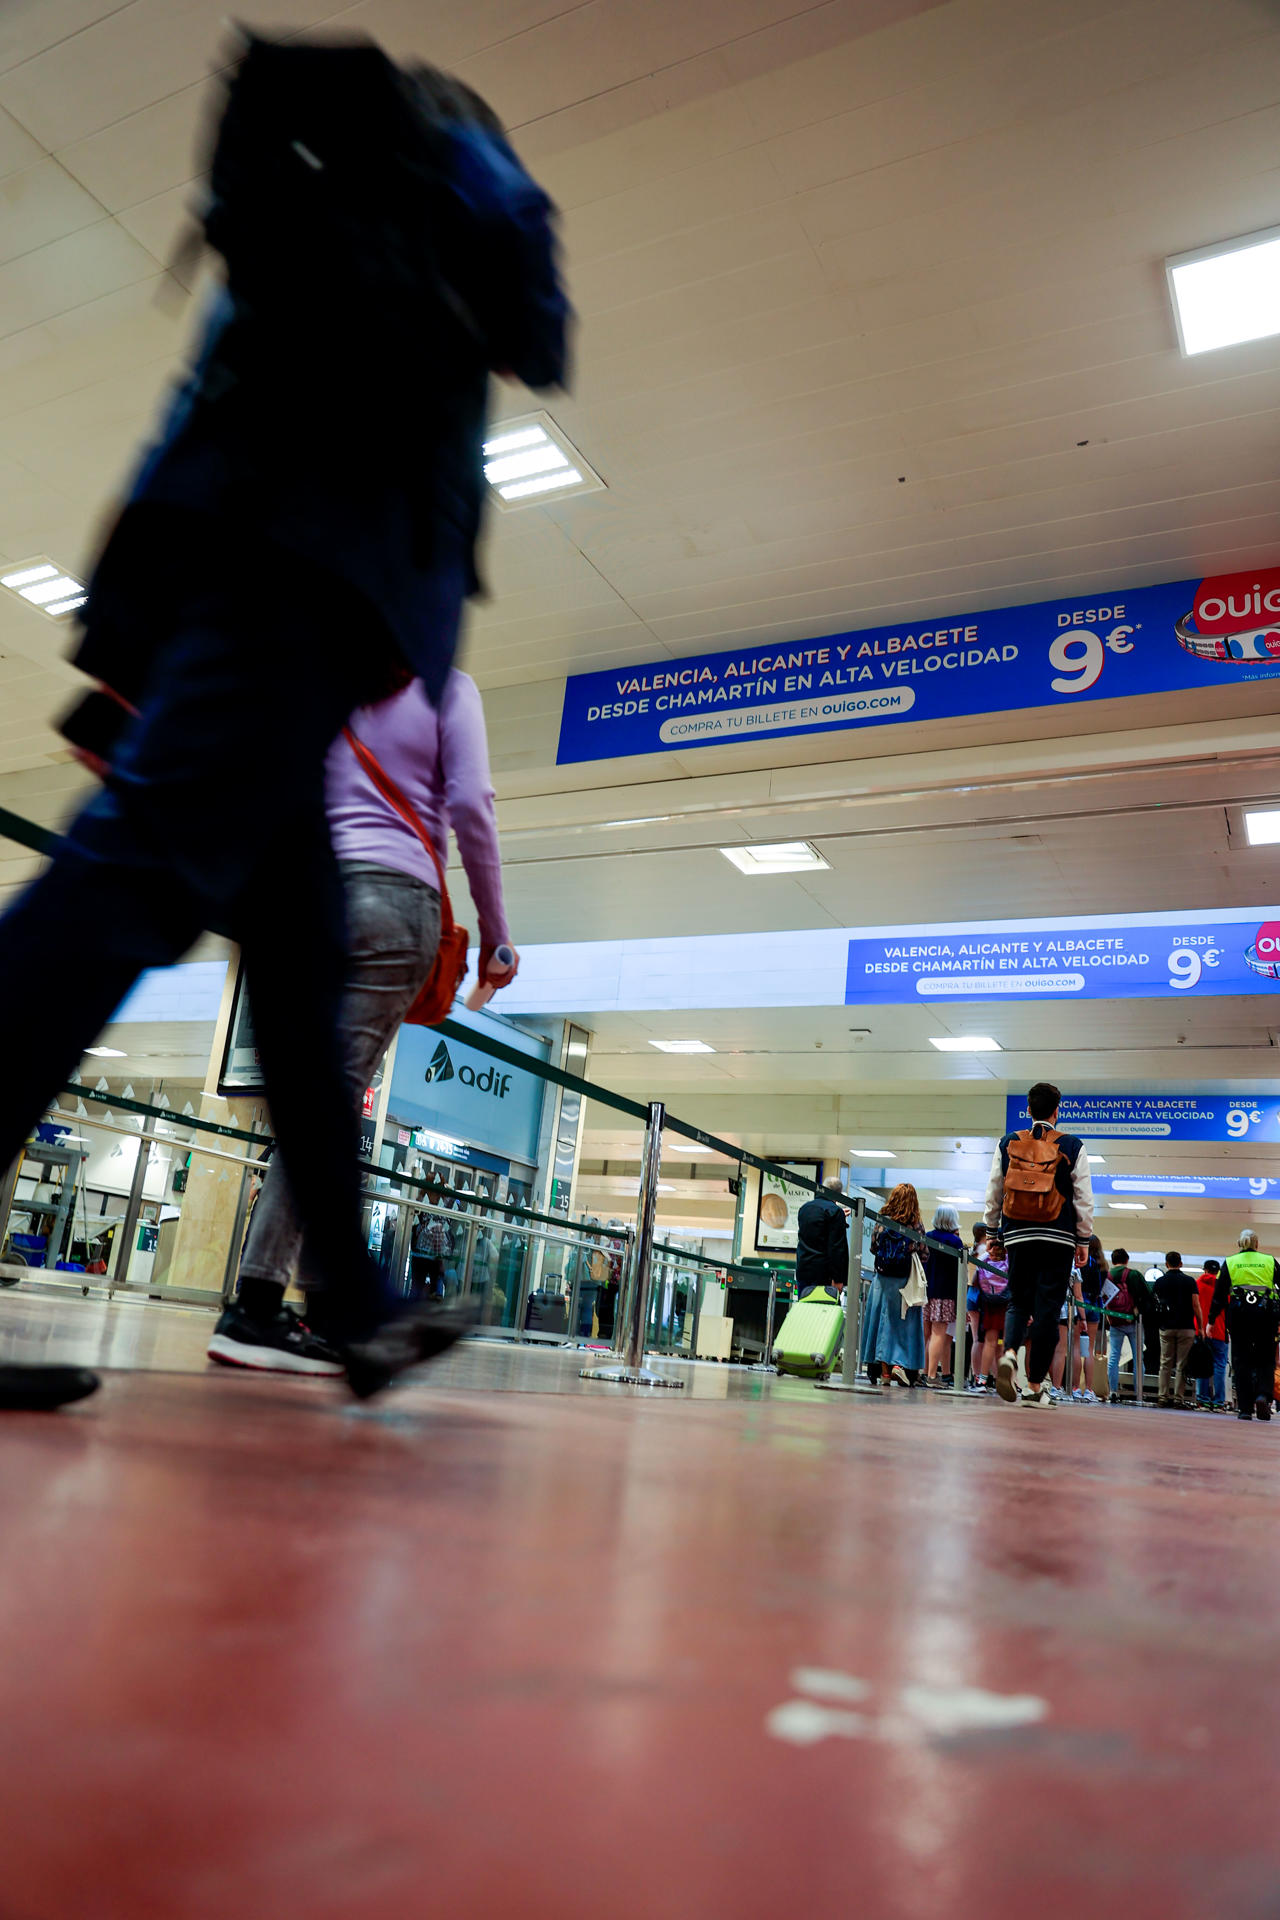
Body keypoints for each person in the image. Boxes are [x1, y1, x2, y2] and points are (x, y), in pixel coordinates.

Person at [0, 39, 569, 1406]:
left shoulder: (313, 208)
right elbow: (540, 329)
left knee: (302, 961)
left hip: (253, 558)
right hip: (308, 569)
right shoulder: (446, 177)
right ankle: (353, 1304)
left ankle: (356, 1305)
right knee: (126, 884)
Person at [209, 669, 514, 1370]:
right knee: (329, 1106)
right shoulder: (448, 685)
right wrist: (496, 933)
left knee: (315, 1102)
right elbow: (471, 802)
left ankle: (328, 1308)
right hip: (391, 898)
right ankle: (258, 1306)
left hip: (301, 896)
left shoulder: (317, 673)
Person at [986, 1081, 1093, 1408]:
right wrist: (1083, 1238)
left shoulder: (1008, 1142)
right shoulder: (1073, 1146)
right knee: (1048, 1309)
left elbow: (994, 1189)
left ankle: (1008, 1354)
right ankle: (1034, 1386)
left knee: (1018, 1300)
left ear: (1029, 1110)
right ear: (1057, 1112)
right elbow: (1084, 1197)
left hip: (1018, 1233)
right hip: (1059, 1236)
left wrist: (993, 1233)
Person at [860, 1183, 925, 1388]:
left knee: (880, 1323)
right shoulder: (915, 1224)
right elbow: (924, 1253)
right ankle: (901, 1365)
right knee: (905, 1325)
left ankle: (882, 1371)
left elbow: (873, 1247)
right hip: (905, 1282)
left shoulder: (882, 1220)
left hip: (882, 1280)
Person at [1211, 1230, 1280, 1422]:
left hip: (1239, 1316)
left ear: (1239, 1244)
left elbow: (1218, 1295)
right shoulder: (1269, 1261)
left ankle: (1245, 1409)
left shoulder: (1230, 1262)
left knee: (1242, 1361)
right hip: (1266, 1316)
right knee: (1266, 1359)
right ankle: (1263, 1395)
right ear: (1257, 1245)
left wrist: (1211, 1320)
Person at [1152, 1251, 1204, 1408]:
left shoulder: (1159, 1282)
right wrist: (1200, 1327)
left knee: (1165, 1363)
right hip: (1186, 1327)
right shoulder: (1190, 1281)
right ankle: (1178, 1399)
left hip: (1166, 1327)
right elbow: (1196, 1305)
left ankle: (1162, 1397)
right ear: (1180, 1263)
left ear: (1166, 1264)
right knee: (1182, 1364)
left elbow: (1154, 1304)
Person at [923, 1204, 963, 1386]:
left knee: (927, 1334)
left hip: (926, 1291)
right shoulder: (955, 1242)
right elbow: (959, 1273)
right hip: (945, 1293)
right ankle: (932, 1376)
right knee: (939, 1333)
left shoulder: (927, 1237)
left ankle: (924, 1373)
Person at [967, 1237, 1010, 1393]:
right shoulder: (1010, 1260)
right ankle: (1006, 1382)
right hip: (1007, 1305)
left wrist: (987, 1249)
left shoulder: (985, 1260)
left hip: (990, 1306)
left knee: (989, 1343)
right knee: (1006, 1345)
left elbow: (975, 1280)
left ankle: (982, 1381)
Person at [795, 1177, 849, 1298]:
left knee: (805, 1309)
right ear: (838, 1194)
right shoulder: (835, 1212)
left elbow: (815, 1232)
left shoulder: (805, 1208)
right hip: (824, 1274)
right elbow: (836, 1248)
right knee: (823, 1312)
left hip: (803, 1269)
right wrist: (838, 1278)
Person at [1104, 1250, 1143, 1402]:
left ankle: (1113, 1391)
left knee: (1113, 1357)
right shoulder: (1133, 1275)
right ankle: (1138, 1392)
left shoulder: (1107, 1276)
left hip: (1115, 1322)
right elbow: (1145, 1296)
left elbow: (1104, 1299)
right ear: (1127, 1260)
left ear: (1113, 1261)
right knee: (1138, 1358)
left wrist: (1110, 1317)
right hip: (1133, 1322)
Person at [1194, 1259, 1229, 1411]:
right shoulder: (1223, 1288)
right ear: (1218, 1271)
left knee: (1201, 1364)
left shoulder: (1196, 1285)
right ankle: (1219, 1402)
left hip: (1201, 1331)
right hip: (1220, 1331)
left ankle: (1203, 1401)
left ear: (1205, 1270)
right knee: (1220, 1366)